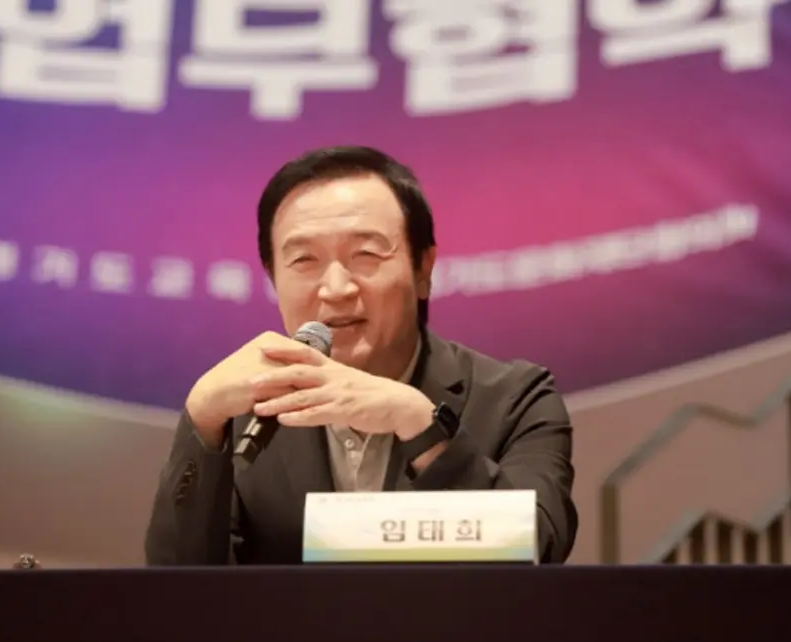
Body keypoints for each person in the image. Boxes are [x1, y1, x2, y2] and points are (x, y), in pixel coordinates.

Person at [145, 146, 577, 565]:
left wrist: (420, 426)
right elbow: (174, 591)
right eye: (304, 260)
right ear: (273, 279)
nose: (336, 289)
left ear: (423, 268)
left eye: (366, 254)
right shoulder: (245, 415)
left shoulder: (515, 399)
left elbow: (539, 549)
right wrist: (202, 418)